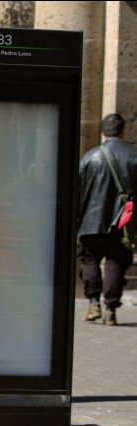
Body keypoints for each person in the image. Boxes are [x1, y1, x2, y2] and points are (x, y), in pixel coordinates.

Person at [78, 113, 137, 326]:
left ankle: (93, 302)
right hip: (123, 222)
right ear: (123, 131)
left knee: (89, 259)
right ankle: (111, 309)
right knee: (115, 263)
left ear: (103, 132)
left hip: (91, 221)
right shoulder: (134, 155)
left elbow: (78, 190)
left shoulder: (90, 157)